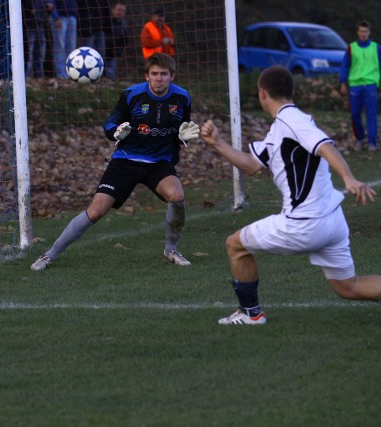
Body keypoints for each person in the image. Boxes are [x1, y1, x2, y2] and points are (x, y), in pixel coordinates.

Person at [199, 65, 381, 325]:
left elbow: (325, 146)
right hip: (332, 220)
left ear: (262, 93)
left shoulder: (291, 121)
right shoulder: (284, 126)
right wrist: (218, 143)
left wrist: (349, 178)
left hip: (305, 223)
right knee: (347, 287)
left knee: (235, 245)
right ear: (291, 91)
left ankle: (251, 314)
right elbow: (251, 165)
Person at [31, 53, 200, 271]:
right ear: (147, 76)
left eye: (164, 74)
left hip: (159, 162)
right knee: (96, 211)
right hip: (126, 160)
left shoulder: (182, 98)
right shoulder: (132, 95)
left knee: (177, 196)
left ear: (172, 76)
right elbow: (110, 123)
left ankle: (171, 249)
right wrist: (116, 133)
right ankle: (49, 255)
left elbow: (183, 127)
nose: (159, 79)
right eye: (154, 74)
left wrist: (182, 138)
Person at [339, 20, 381, 152]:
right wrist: (342, 82)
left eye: (365, 31)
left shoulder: (376, 48)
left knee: (372, 115)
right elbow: (345, 65)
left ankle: (372, 143)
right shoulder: (351, 48)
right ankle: (360, 138)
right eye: (361, 31)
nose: (363, 34)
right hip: (355, 85)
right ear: (358, 32)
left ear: (369, 33)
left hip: (370, 85)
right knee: (354, 114)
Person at [23, 0, 54, 78]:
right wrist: (29, 11)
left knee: (40, 53)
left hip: (40, 25)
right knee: (29, 52)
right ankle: (27, 76)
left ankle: (39, 75)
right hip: (29, 25)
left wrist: (48, 11)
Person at [50, 0, 78, 79]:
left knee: (72, 48)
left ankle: (71, 73)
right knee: (60, 47)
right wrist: (56, 17)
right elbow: (50, 3)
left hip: (72, 17)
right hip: (60, 18)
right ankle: (61, 74)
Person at [104, 2, 129, 80]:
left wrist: (119, 51)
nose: (120, 12)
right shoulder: (105, 21)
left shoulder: (124, 25)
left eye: (122, 11)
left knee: (110, 74)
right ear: (113, 10)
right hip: (101, 53)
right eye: (118, 10)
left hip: (113, 55)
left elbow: (125, 40)